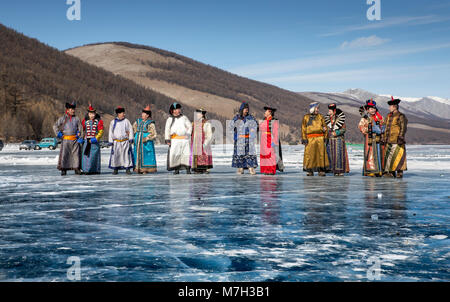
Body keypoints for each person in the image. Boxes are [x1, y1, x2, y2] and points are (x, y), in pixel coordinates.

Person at [53, 101, 83, 176]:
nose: (72, 110)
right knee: (65, 155)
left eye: (73, 109)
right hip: (65, 139)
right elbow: (55, 126)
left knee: (76, 155)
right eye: (71, 109)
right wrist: (58, 134)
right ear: (67, 110)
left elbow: (81, 129)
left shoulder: (77, 119)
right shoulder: (63, 118)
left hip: (75, 140)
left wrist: (80, 137)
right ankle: (64, 169)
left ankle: (77, 168)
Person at [382, 97, 408, 178]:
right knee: (389, 157)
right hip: (388, 140)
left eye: (390, 106)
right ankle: (390, 171)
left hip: (397, 139)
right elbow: (384, 126)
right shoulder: (388, 116)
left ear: (394, 106)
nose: (389, 108)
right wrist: (383, 137)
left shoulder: (401, 116)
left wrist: (401, 137)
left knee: (398, 156)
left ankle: (400, 172)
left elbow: (403, 127)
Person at [301, 102, 329, 176]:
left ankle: (321, 170)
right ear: (312, 108)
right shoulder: (306, 117)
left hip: (320, 138)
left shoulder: (321, 117)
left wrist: (326, 137)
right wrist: (304, 138)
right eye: (316, 108)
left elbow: (325, 127)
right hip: (310, 138)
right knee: (310, 154)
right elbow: (303, 129)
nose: (318, 109)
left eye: (318, 108)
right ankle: (310, 170)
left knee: (320, 154)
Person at [358, 99, 385, 177]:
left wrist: (381, 130)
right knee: (370, 154)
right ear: (368, 110)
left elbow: (383, 125)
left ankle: (380, 170)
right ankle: (371, 170)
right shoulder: (365, 118)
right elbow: (360, 127)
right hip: (369, 138)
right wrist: (369, 129)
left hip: (378, 139)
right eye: (371, 109)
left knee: (379, 154)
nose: (373, 110)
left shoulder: (379, 117)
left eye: (374, 108)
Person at [230, 102, 258, 175]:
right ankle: (240, 168)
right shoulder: (236, 118)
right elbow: (231, 127)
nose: (246, 110)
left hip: (248, 139)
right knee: (239, 155)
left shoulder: (251, 118)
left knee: (250, 155)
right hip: (239, 139)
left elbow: (256, 126)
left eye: (247, 109)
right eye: (245, 109)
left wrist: (253, 130)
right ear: (242, 109)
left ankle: (251, 168)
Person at [165, 102, 192, 174]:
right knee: (176, 154)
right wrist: (167, 139)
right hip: (175, 139)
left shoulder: (184, 117)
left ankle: (188, 169)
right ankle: (176, 169)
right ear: (173, 110)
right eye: (177, 109)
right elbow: (167, 129)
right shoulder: (170, 119)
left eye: (179, 109)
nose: (178, 110)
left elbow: (190, 126)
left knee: (185, 154)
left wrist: (188, 134)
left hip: (184, 139)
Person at [324, 103, 350, 176]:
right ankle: (332, 170)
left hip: (338, 140)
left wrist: (336, 133)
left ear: (334, 111)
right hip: (330, 140)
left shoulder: (340, 119)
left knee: (339, 156)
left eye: (330, 110)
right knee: (330, 155)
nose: (329, 112)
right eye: (329, 110)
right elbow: (326, 128)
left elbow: (344, 129)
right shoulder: (327, 119)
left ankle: (340, 171)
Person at [108, 106, 134, 175]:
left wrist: (131, 138)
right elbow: (111, 132)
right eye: (122, 113)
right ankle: (115, 168)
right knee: (116, 155)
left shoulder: (126, 121)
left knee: (126, 155)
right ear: (118, 114)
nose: (124, 114)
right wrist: (110, 141)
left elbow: (130, 130)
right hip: (116, 142)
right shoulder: (113, 122)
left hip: (125, 141)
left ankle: (127, 168)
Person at [259, 106, 284, 175]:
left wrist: (274, 142)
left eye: (266, 111)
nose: (264, 112)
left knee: (271, 155)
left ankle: (271, 170)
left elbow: (275, 132)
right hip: (264, 140)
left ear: (269, 112)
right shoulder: (264, 120)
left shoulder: (274, 121)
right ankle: (266, 169)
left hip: (270, 139)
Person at [133, 105, 157, 174]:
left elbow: (154, 134)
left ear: (147, 115)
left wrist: (146, 138)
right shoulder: (137, 122)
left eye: (144, 114)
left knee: (146, 155)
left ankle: (146, 169)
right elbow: (133, 129)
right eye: (142, 113)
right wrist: (134, 137)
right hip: (138, 143)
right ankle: (138, 168)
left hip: (146, 143)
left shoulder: (150, 123)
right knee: (137, 154)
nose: (142, 115)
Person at [81, 105, 104, 174]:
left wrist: (96, 138)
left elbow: (101, 131)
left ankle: (95, 170)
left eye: (93, 114)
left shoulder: (99, 121)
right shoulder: (84, 121)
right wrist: (81, 138)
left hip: (94, 142)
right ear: (88, 114)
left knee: (94, 156)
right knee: (86, 156)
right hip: (86, 141)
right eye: (90, 114)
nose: (92, 115)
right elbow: (81, 130)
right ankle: (86, 170)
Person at [190, 108, 213, 174]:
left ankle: (204, 168)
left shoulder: (206, 123)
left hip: (203, 142)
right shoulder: (193, 123)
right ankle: (196, 168)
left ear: (202, 115)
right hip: (195, 143)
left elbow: (209, 134)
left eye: (199, 113)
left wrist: (206, 142)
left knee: (203, 154)